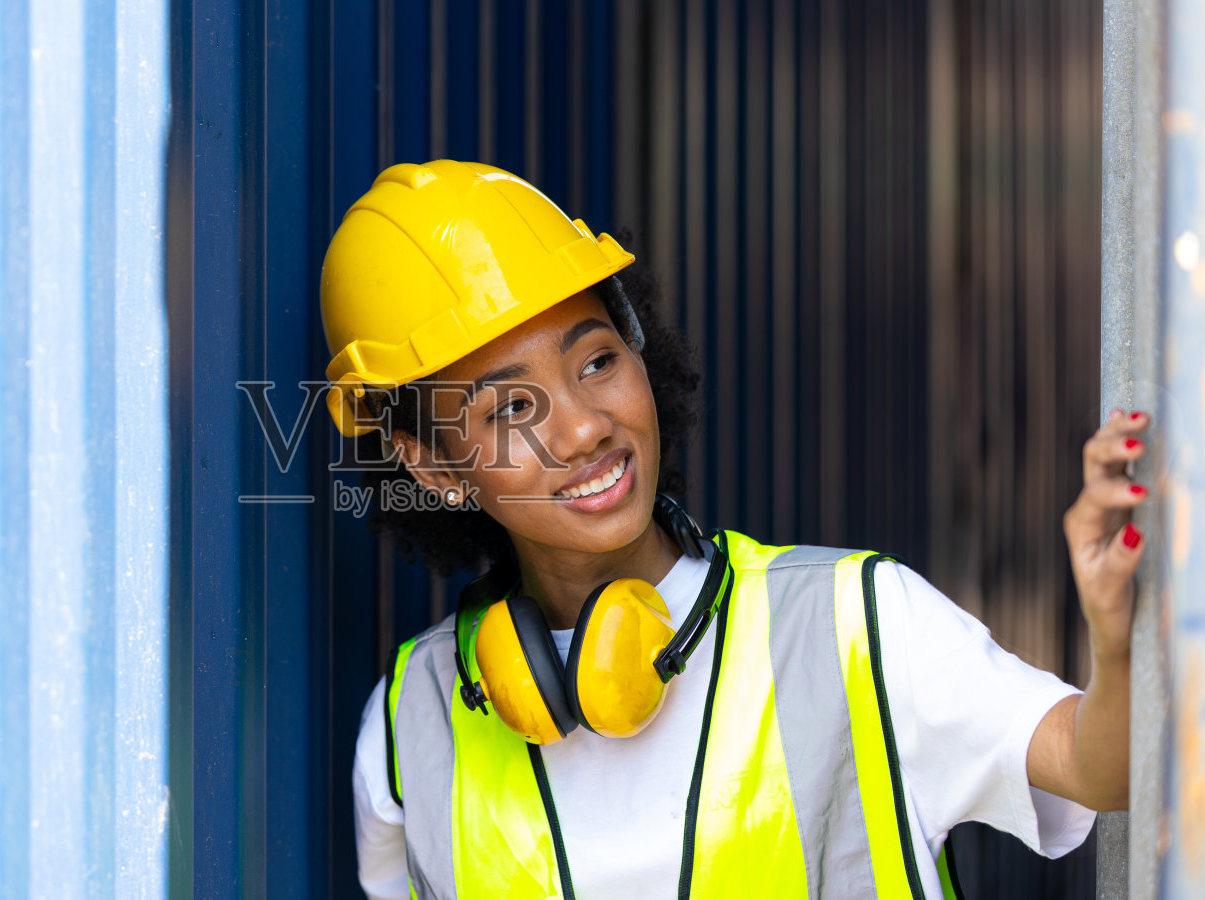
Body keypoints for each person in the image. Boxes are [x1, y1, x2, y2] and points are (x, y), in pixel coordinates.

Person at [321, 160, 1143, 899]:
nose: (581, 430)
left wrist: (1117, 639)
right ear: (431, 466)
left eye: (598, 361)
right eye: (511, 409)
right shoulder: (411, 726)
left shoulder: (851, 625)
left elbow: (1100, 769)